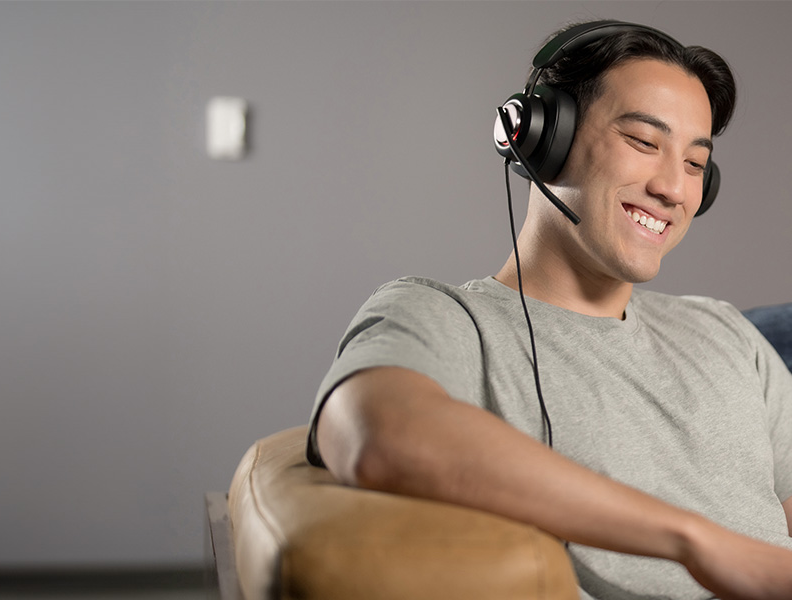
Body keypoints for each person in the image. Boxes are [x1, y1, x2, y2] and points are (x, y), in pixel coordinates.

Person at [306, 20, 792, 600]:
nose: (674, 189)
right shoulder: (443, 316)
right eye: (643, 141)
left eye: (694, 164)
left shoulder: (725, 331)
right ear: (540, 137)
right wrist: (697, 542)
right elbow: (371, 433)